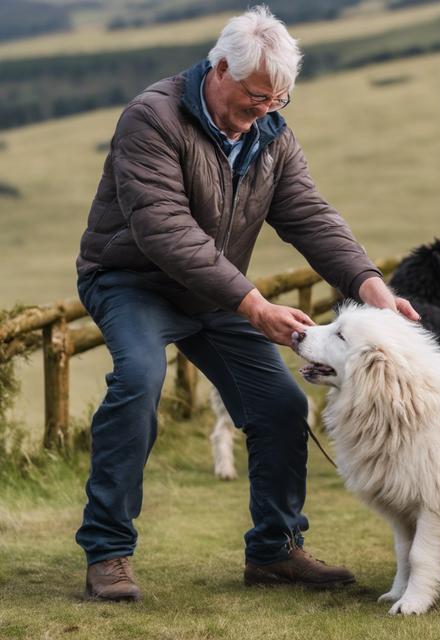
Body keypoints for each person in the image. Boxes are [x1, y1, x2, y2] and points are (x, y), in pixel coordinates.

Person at [76, 5, 419, 601]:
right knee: (138, 380)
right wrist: (254, 305)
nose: (263, 112)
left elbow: (310, 217)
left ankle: (274, 551)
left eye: (277, 102)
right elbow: (164, 230)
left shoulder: (272, 135)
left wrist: (372, 288)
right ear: (218, 68)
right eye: (255, 97)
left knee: (282, 406)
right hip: (132, 280)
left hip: (218, 291)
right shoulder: (150, 119)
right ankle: (107, 552)